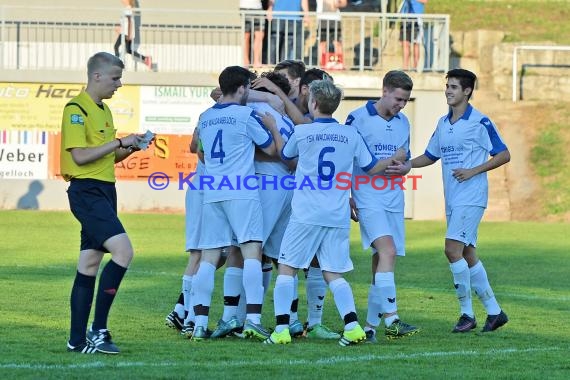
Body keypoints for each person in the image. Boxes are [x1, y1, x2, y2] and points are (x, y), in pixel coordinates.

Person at [264, 79, 407, 345]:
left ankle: (281, 330)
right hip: (337, 214)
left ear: (313, 103)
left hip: (306, 213)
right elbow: (372, 167)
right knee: (333, 273)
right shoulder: (351, 135)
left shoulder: (303, 131)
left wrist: (274, 127)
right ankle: (352, 327)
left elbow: (286, 155)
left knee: (287, 269)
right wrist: (396, 158)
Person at [387, 68, 510, 333]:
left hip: (472, 196)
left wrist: (473, 170)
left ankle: (467, 314)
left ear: (467, 91)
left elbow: (504, 154)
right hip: (453, 198)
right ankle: (495, 312)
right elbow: (431, 156)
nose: (448, 91)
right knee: (467, 253)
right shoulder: (443, 123)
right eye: (447, 86)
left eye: (453, 87)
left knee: (452, 250)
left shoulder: (480, 121)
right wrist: (406, 165)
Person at [61, 52, 146, 354]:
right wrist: (119, 142)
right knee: (123, 251)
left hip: (105, 192)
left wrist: (131, 148)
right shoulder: (75, 109)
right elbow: (80, 156)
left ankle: (76, 340)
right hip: (86, 192)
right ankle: (99, 330)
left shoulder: (104, 111)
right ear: (96, 76)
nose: (119, 84)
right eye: (115, 78)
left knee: (90, 263)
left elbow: (110, 155)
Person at [190, 66, 283, 341]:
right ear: (243, 88)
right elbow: (271, 149)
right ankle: (253, 319)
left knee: (208, 258)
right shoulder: (246, 115)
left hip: (213, 192)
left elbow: (202, 156)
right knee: (252, 252)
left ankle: (198, 323)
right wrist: (273, 128)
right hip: (242, 190)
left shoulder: (205, 117)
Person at [345, 70, 420, 343]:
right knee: (387, 251)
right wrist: (346, 195)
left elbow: (405, 160)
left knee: (383, 260)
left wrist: (403, 167)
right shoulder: (357, 118)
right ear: (385, 90)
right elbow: (347, 160)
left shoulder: (403, 123)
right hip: (367, 196)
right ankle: (393, 320)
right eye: (398, 98)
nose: (401, 105)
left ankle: (369, 328)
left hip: (393, 198)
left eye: (405, 100)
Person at [113, 0, 155, 71]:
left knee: (116, 47)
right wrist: (119, 28)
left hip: (125, 33)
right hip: (124, 32)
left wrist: (129, 34)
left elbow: (129, 21)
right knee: (129, 50)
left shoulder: (128, 8)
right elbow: (125, 21)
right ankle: (146, 59)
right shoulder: (127, 8)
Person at [316, 0, 347, 69]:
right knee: (322, 43)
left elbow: (344, 3)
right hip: (322, 19)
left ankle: (339, 64)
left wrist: (337, 4)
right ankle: (322, 65)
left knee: (337, 43)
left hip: (335, 19)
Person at [399, 0, 426, 71]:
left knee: (416, 44)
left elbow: (425, 1)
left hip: (417, 19)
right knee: (405, 44)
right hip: (405, 18)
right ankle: (405, 68)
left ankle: (415, 68)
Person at [241, 0, 265, 68]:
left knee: (260, 35)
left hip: (258, 8)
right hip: (245, 7)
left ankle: (256, 62)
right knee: (246, 36)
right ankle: (246, 62)